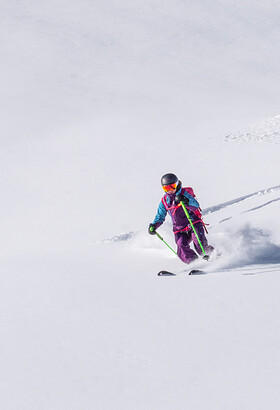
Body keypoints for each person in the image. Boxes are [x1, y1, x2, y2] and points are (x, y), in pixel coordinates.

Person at [148, 173, 214, 264]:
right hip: (179, 228)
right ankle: (194, 263)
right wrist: (154, 226)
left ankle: (212, 256)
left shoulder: (183, 194)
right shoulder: (164, 200)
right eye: (166, 188)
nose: (170, 190)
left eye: (172, 186)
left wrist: (186, 201)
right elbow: (160, 216)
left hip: (192, 223)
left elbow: (196, 205)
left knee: (198, 241)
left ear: (177, 184)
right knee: (181, 245)